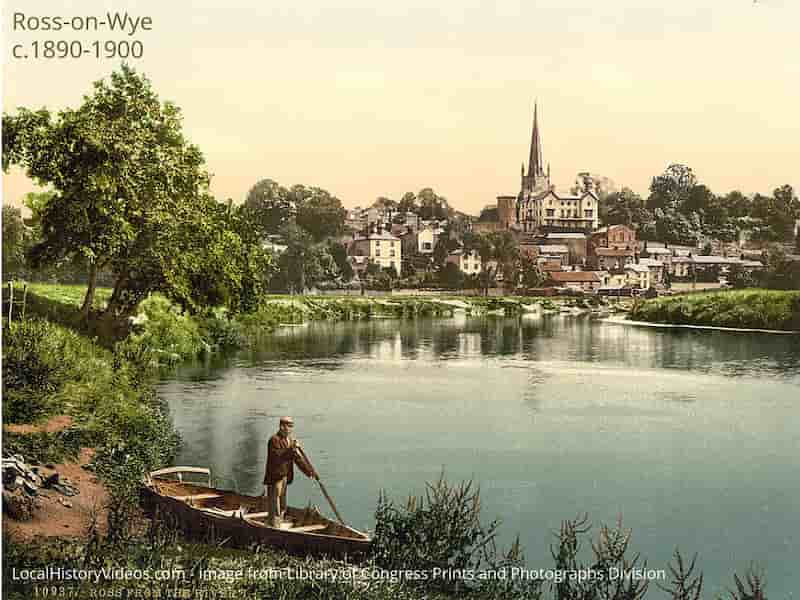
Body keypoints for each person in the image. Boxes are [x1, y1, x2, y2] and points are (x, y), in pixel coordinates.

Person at [262, 416, 316, 527]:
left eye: (291, 426)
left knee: (282, 504)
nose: (290, 429)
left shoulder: (289, 440)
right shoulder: (274, 440)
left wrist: (309, 472)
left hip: (285, 477)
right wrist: (292, 448)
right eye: (288, 426)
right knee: (274, 504)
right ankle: (273, 526)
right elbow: (278, 457)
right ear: (281, 427)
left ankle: (279, 524)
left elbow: (297, 458)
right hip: (275, 478)